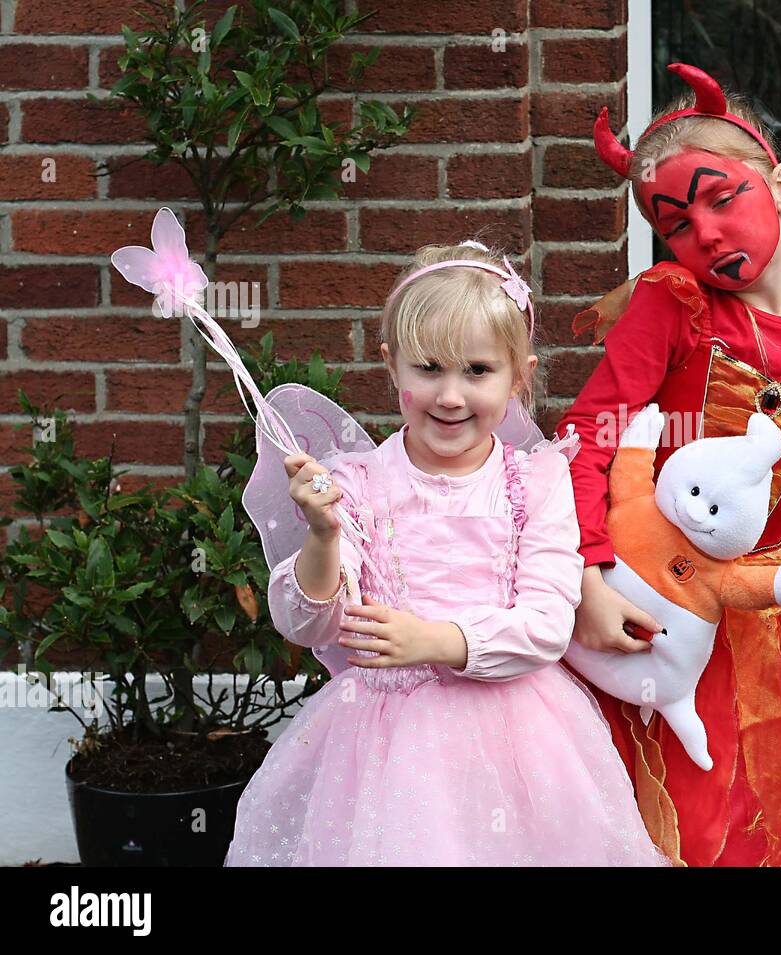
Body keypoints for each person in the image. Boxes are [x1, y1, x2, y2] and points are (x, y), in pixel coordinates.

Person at [557, 63, 781, 866]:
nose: (705, 234)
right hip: (644, 598)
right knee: (656, 811)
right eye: (677, 223)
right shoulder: (671, 303)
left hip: (759, 611)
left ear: (780, 186)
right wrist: (586, 578)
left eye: (723, 199)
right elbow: (590, 437)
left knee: (746, 816)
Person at [225, 242, 666, 866]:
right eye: (428, 368)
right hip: (382, 743)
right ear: (391, 367)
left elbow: (546, 624)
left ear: (520, 376)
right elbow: (306, 623)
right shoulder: (356, 483)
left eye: (478, 371)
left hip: (519, 733)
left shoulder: (536, 482)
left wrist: (436, 641)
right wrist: (321, 536)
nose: (451, 395)